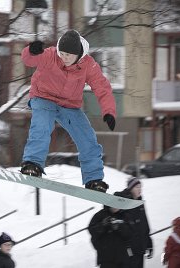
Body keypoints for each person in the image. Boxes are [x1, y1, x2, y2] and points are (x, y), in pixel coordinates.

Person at [19, 29, 116, 192]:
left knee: (88, 138)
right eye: (62, 53)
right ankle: (32, 164)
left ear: (78, 55)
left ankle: (94, 180)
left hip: (69, 105)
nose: (63, 58)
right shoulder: (51, 55)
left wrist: (109, 111)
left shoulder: (89, 65)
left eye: (68, 56)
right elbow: (29, 60)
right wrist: (31, 50)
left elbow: (102, 88)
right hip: (43, 98)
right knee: (41, 128)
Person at [88, 192, 133, 268]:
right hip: (106, 260)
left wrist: (119, 227)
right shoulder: (100, 215)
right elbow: (92, 230)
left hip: (123, 259)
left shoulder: (125, 215)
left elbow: (130, 234)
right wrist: (103, 225)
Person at [120, 177, 153, 268]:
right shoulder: (124, 203)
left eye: (140, 187)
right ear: (130, 188)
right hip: (129, 251)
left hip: (140, 248)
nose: (140, 189)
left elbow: (144, 225)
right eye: (137, 187)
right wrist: (127, 247)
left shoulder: (140, 203)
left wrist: (149, 243)